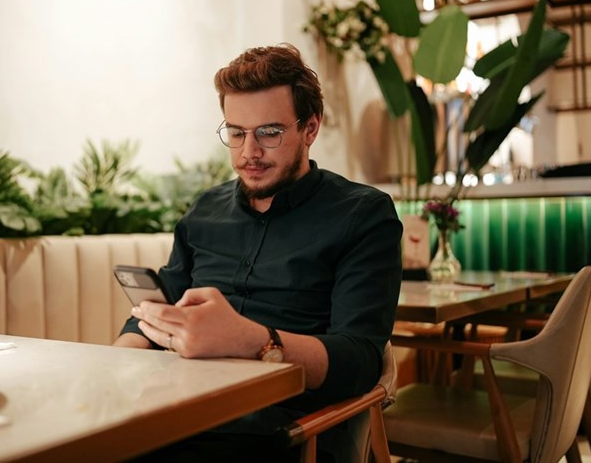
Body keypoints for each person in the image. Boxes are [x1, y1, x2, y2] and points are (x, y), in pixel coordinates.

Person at [114, 43, 402, 462]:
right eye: (236, 132)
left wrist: (255, 341)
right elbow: (160, 304)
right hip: (183, 410)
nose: (249, 152)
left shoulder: (363, 215)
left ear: (310, 128)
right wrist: (116, 367)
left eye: (269, 132)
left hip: (289, 432)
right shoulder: (203, 211)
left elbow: (359, 360)